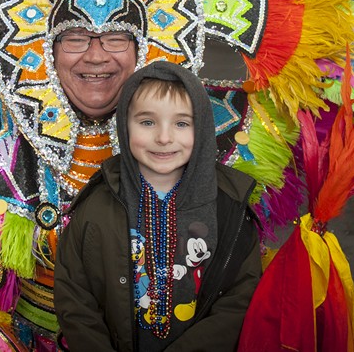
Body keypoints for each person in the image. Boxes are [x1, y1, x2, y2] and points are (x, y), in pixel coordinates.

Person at [55, 61, 262, 352]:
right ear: (124, 127)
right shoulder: (97, 207)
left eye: (181, 123)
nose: (164, 138)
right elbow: (74, 298)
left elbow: (240, 298)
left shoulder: (229, 209)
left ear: (201, 128)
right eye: (147, 122)